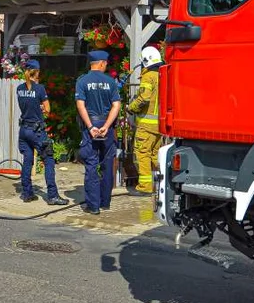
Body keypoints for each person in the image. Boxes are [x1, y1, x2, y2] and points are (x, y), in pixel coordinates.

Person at [74, 50, 121, 215]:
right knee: (108, 164)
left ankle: (93, 206)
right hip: (107, 127)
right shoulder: (111, 82)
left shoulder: (82, 81)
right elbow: (116, 105)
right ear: (101, 63)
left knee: (92, 165)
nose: (106, 65)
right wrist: (107, 125)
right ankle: (105, 202)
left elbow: (81, 105)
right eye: (106, 63)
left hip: (91, 125)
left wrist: (90, 126)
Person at [16, 60, 68, 205]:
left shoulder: (19, 88)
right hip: (37, 131)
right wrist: (41, 108)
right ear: (37, 72)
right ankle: (52, 196)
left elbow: (26, 105)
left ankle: (27, 194)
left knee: (27, 161)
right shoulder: (39, 89)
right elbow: (48, 109)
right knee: (49, 160)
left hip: (24, 130)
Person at [126, 46, 163, 195]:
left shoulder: (148, 77)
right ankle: (163, 184)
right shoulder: (162, 75)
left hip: (147, 126)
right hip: (159, 125)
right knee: (155, 155)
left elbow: (144, 98)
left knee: (142, 153)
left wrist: (131, 108)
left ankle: (145, 187)